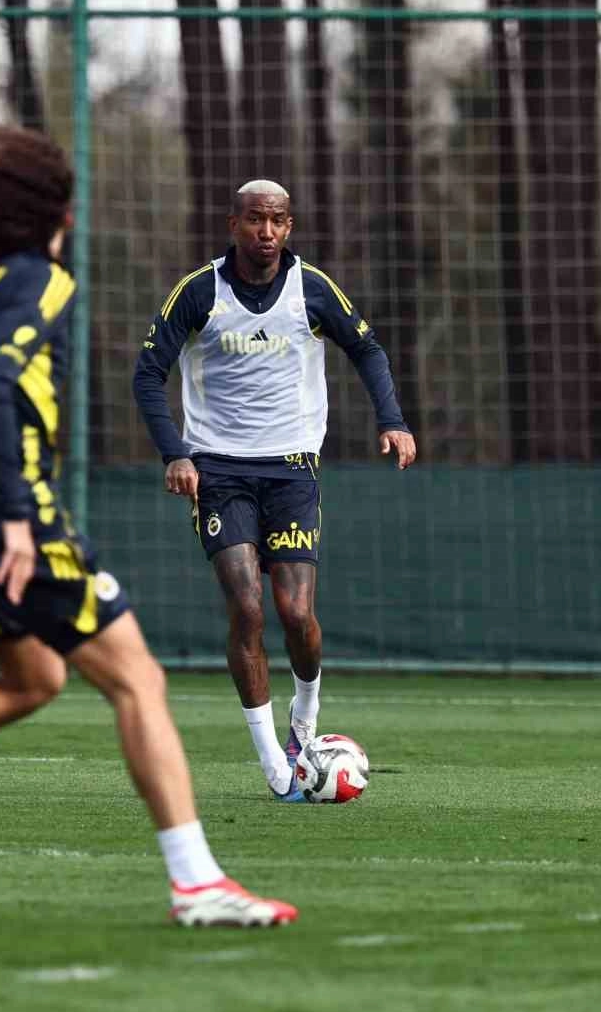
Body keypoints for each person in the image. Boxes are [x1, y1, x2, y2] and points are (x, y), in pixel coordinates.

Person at [0, 126, 296, 927]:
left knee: (33, 679)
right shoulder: (43, 280)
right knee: (139, 680)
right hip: (13, 525)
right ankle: (196, 884)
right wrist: (14, 516)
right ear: (51, 212)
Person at [132, 180, 416, 800]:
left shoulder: (311, 288)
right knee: (248, 609)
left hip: (291, 468)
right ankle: (274, 766)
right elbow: (148, 373)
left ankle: (304, 715)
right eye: (256, 219)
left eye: (279, 221)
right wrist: (176, 452)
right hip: (218, 469)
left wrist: (392, 420)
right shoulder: (199, 291)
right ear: (233, 223)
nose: (267, 232)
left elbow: (367, 348)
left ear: (290, 227)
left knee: (296, 614)